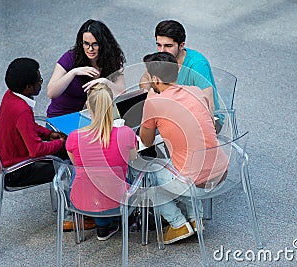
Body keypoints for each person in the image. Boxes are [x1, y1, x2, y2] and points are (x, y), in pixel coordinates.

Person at [139, 52, 229, 244]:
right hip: (221, 173)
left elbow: (146, 142)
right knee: (181, 161)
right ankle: (197, 219)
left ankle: (178, 223)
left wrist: (150, 103)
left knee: (148, 174)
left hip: (194, 182)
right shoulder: (196, 91)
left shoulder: (154, 102)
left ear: (155, 78)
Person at [66, 83, 137, 241]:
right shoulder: (126, 133)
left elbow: (77, 165)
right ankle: (124, 219)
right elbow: (132, 158)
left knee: (93, 179)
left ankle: (102, 226)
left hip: (82, 199)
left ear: (88, 108)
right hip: (118, 198)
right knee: (129, 178)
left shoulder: (73, 137)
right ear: (112, 106)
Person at [0, 58, 67, 187]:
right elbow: (36, 150)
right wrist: (61, 143)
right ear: (28, 87)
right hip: (14, 173)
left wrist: (49, 135)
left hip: (3, 163)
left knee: (63, 150)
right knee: (71, 162)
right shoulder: (22, 110)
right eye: (39, 81)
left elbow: (28, 126)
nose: (41, 84)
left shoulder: (10, 95)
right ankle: (71, 202)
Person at [140, 20, 222, 117]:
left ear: (181, 45)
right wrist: (148, 92)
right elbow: (145, 79)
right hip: (172, 112)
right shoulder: (164, 57)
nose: (161, 50)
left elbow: (208, 106)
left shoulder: (197, 65)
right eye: (159, 45)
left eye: (168, 46)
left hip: (202, 118)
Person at [46, 19, 126, 118]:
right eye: (86, 44)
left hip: (93, 116)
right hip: (63, 115)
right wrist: (73, 72)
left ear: (104, 44)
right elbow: (51, 93)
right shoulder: (70, 57)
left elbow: (121, 93)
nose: (90, 49)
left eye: (95, 44)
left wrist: (105, 82)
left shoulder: (112, 60)